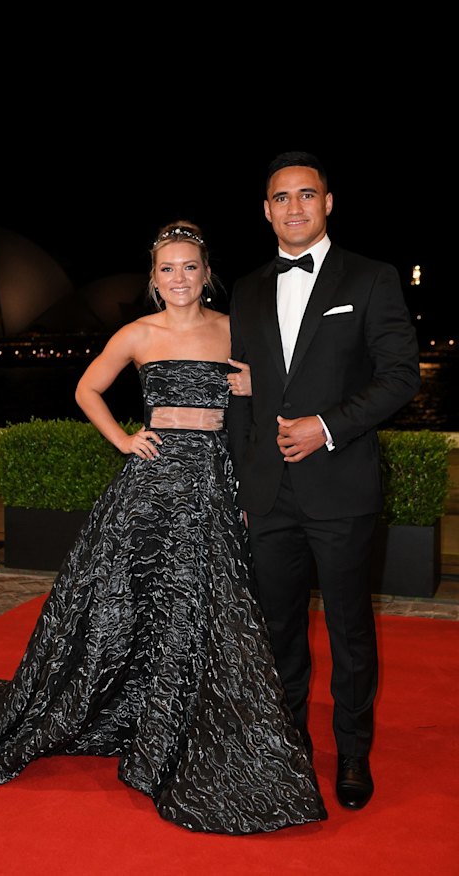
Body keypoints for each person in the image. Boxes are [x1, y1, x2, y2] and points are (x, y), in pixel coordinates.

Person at [0, 220, 327, 835]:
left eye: (189, 267)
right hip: (150, 485)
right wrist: (123, 438)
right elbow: (87, 388)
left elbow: (263, 401)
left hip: (212, 484)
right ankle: (131, 711)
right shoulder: (136, 333)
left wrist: (256, 398)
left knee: (204, 606)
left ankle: (177, 722)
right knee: (126, 604)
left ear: (207, 273)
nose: (179, 278)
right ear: (153, 278)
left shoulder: (234, 328)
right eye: (167, 269)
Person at [227, 152, 421, 812]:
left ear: (328, 203)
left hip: (341, 488)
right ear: (266, 210)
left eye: (307, 195)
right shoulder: (248, 289)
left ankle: (355, 754)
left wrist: (327, 426)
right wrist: (243, 489)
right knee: (277, 632)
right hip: (269, 496)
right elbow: (243, 397)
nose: (295, 207)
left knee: (349, 632)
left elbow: (400, 377)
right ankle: (290, 752)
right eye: (282, 198)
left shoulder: (371, 278)